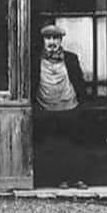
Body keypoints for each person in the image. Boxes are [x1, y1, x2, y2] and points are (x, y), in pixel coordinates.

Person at [33, 22, 88, 189]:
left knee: (74, 145)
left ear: (61, 40)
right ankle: (59, 179)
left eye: (55, 38)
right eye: (48, 38)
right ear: (43, 40)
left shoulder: (71, 58)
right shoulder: (35, 60)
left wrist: (82, 105)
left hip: (70, 107)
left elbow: (79, 82)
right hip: (47, 108)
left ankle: (76, 178)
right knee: (54, 146)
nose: (52, 42)